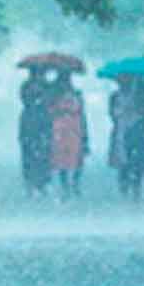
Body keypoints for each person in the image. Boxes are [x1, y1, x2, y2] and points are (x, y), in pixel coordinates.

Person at [49, 71, 89, 200]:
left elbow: (82, 114)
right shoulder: (56, 97)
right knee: (65, 159)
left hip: (70, 129)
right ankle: (68, 186)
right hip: (64, 130)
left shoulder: (74, 95)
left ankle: (72, 184)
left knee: (74, 158)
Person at [19, 67, 54, 197]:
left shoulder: (48, 86)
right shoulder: (26, 86)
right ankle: (30, 182)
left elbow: (51, 100)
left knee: (44, 153)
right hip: (29, 123)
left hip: (43, 122)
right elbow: (24, 100)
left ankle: (43, 182)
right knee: (29, 154)